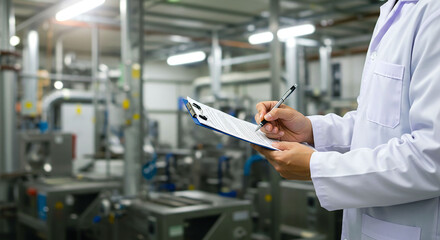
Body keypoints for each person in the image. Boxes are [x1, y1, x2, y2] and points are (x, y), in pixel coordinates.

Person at [252, 0, 440, 239]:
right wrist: (310, 129)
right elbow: (372, 123)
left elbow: (433, 156)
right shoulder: (393, 12)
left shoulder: (433, 12)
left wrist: (318, 167)